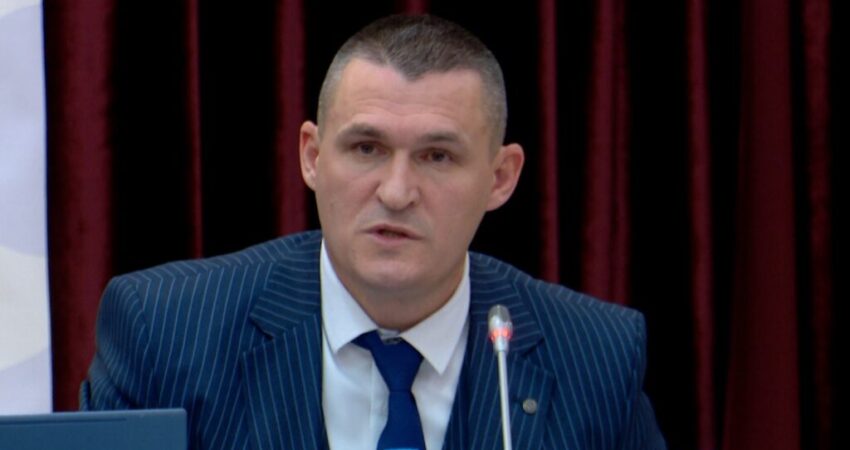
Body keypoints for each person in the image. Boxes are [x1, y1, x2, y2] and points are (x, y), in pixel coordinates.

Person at [80, 14, 666, 450]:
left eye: (437, 157)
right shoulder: (165, 329)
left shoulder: (597, 356)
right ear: (312, 157)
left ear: (500, 178)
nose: (396, 191)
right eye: (367, 148)